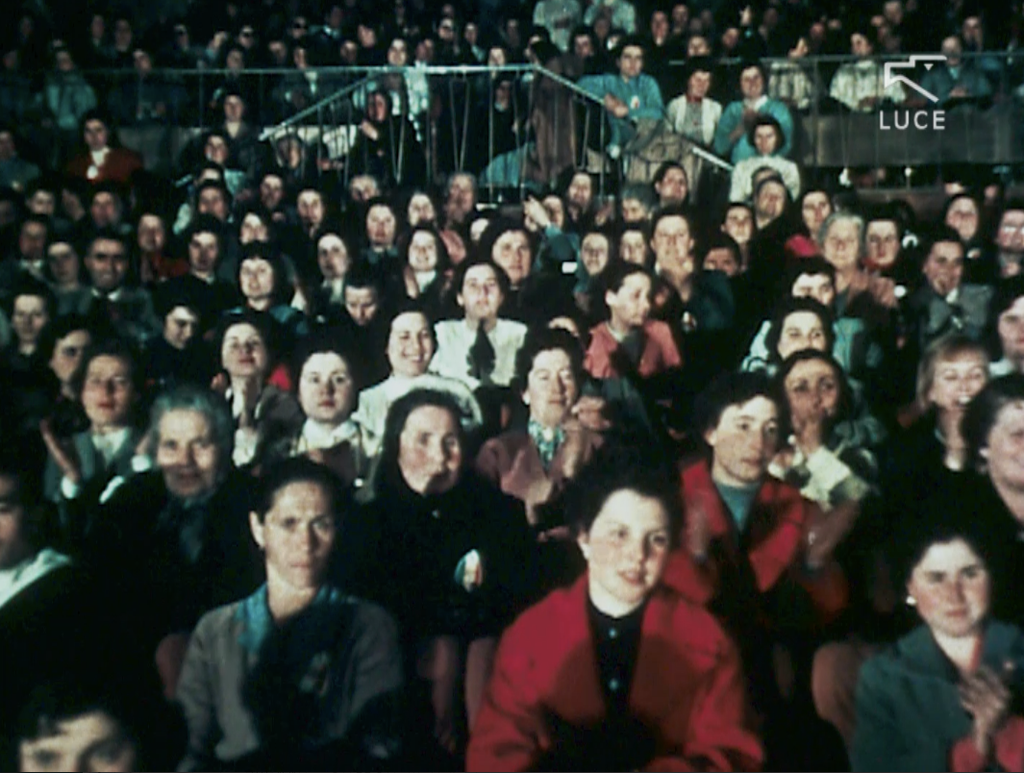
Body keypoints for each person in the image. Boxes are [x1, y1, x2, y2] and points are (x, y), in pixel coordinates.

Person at [466, 443, 763, 771]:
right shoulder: (529, 637)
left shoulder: (710, 641)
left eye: (657, 539)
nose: (637, 554)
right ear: (583, 538)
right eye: (619, 534)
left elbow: (732, 754)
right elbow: (495, 753)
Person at [175, 457, 404, 771]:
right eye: (289, 523)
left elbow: (376, 749)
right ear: (259, 529)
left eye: (320, 524)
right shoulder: (216, 631)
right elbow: (190, 749)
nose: (305, 543)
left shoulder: (368, 625)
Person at [347, 389, 536, 761]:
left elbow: (514, 602)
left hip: (480, 680)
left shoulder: (500, 515)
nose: (439, 455)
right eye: (423, 440)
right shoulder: (364, 525)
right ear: (395, 446)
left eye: (450, 441)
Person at [851, 515, 1024, 771]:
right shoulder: (882, 679)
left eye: (970, 573)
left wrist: (1007, 731)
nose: (954, 594)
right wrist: (971, 751)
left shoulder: (1017, 651)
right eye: (936, 578)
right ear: (911, 588)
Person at [353, 304, 482, 445]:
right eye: (404, 337)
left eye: (424, 335)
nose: (416, 346)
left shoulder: (457, 391)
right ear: (386, 344)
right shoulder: (370, 400)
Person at [213, 311, 303, 470]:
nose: (244, 350)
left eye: (253, 343)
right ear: (221, 358)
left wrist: (247, 414)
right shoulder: (212, 401)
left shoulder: (285, 403)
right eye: (234, 345)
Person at [430, 258, 527, 391]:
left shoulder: (520, 335)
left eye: (491, 285)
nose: (483, 293)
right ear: (460, 297)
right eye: (473, 285)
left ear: (502, 297)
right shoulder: (443, 334)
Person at [584, 261, 682, 381]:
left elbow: (676, 382)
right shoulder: (592, 340)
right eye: (636, 296)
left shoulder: (660, 332)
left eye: (648, 297)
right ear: (610, 297)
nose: (646, 305)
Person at [713, 61, 794, 163]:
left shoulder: (779, 109)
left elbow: (786, 145)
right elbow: (720, 147)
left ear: (764, 80)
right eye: (746, 80)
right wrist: (740, 129)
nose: (752, 83)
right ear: (739, 84)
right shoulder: (733, 110)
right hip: (739, 171)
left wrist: (760, 121)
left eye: (756, 78)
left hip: (771, 169)